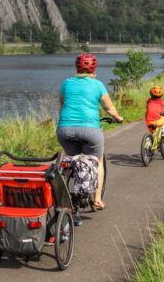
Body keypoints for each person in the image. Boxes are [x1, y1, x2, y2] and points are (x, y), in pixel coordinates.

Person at [57, 53, 123, 210]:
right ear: (94, 68)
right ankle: (97, 199)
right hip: (90, 130)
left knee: (69, 157)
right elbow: (109, 108)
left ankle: (61, 192)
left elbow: (62, 105)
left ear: (77, 67)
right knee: (97, 160)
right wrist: (118, 118)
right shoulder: (98, 84)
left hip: (65, 129)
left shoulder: (66, 83)